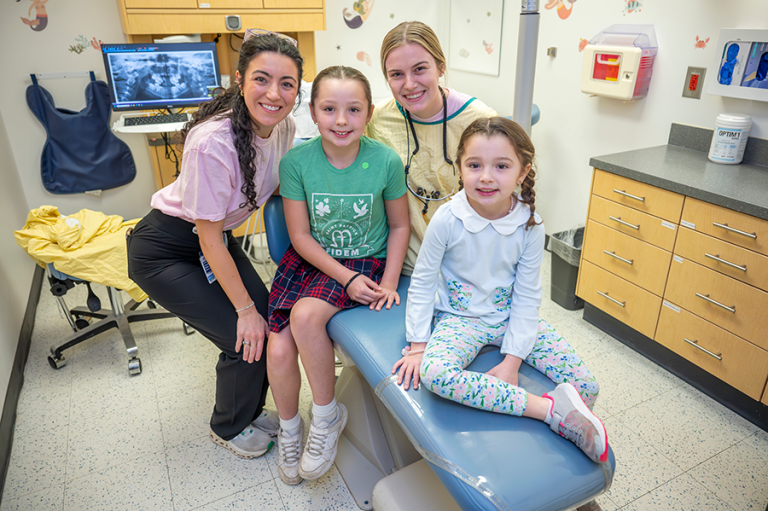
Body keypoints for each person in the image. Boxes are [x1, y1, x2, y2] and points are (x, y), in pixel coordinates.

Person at [126, 33, 303, 459]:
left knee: (269, 324)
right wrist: (243, 311)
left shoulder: (285, 127)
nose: (274, 94)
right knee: (245, 336)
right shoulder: (211, 142)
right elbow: (206, 238)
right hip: (166, 250)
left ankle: (250, 410)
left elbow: (276, 184)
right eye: (262, 79)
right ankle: (227, 426)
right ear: (240, 79)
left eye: (287, 83)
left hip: (213, 242)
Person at [392, 117, 608, 464]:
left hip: (510, 319)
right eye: (474, 165)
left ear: (522, 172)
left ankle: (568, 456)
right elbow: (423, 281)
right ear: (459, 168)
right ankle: (546, 411)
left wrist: (513, 359)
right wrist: (418, 344)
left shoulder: (530, 226)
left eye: (501, 166)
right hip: (460, 320)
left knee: (586, 385)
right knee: (436, 374)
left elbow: (526, 298)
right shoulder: (448, 219)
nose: (486, 176)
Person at [267, 65, 409, 485]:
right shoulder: (296, 162)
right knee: (277, 352)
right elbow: (299, 235)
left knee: (307, 317)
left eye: (353, 109)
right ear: (312, 112)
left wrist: (388, 280)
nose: (341, 120)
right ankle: (291, 430)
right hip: (312, 259)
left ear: (368, 114)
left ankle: (326, 417)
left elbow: (399, 226)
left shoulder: (385, 160)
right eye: (329, 109)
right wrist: (343, 278)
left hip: (366, 260)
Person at [365, 21, 497, 275]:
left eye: (420, 69)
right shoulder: (378, 118)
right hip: (403, 266)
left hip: (466, 264)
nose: (410, 84)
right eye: (396, 74)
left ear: (441, 67)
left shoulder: (479, 121)